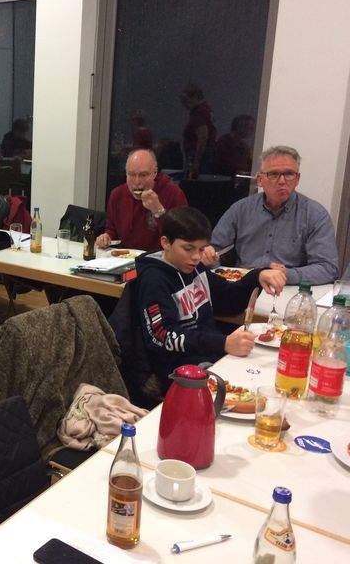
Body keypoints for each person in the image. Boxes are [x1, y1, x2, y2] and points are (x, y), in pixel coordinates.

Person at [135, 207, 285, 386]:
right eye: (188, 248)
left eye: (201, 250)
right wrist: (222, 343)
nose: (196, 257)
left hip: (211, 356)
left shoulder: (195, 269)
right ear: (166, 243)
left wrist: (258, 276)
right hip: (180, 371)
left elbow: (230, 300)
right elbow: (162, 336)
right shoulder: (154, 279)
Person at [203, 145, 339, 285]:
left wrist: (288, 274)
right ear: (260, 180)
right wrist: (210, 260)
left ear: (297, 179)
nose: (282, 181)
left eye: (289, 174)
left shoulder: (315, 215)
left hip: (287, 287)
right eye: (273, 174)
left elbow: (328, 268)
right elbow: (213, 248)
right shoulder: (241, 209)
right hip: (244, 285)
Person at [95, 149, 188, 252]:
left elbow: (182, 237)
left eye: (143, 175)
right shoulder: (117, 195)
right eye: (131, 174)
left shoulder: (174, 194)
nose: (137, 182)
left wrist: (158, 211)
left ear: (155, 173)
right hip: (126, 256)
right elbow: (111, 231)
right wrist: (106, 238)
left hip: (160, 257)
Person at [180, 83, 217, 177]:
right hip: (206, 154)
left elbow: (203, 137)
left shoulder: (199, 112)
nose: (184, 105)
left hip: (199, 155)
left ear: (195, 96)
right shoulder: (206, 110)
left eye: (185, 101)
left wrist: (196, 161)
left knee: (195, 180)